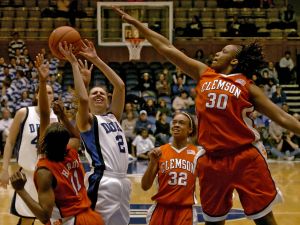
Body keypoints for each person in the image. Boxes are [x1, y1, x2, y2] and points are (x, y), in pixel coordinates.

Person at [113, 6, 300, 224]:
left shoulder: (248, 87)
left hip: (245, 156)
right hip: (212, 160)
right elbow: (167, 47)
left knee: (264, 219)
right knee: (213, 220)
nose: (217, 53)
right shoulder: (204, 74)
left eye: (223, 51)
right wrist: (138, 25)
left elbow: (283, 117)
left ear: (234, 61)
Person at [10, 53, 104, 225]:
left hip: (71, 220)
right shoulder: (72, 152)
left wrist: (43, 79)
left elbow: (45, 115)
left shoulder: (45, 169)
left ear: (42, 143)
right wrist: (83, 85)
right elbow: (77, 131)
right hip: (91, 216)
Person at [59, 40, 131, 225]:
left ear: (108, 101)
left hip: (123, 182)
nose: (98, 94)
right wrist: (74, 64)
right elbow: (82, 100)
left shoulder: (113, 117)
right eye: (94, 93)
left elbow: (120, 86)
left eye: (102, 93)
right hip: (102, 180)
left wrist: (96, 59)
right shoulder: (87, 121)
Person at [0, 57, 58, 225]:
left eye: (50, 92)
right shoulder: (24, 113)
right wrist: (4, 170)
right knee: (27, 220)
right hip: (27, 175)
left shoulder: (57, 118)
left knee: (55, 219)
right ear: (36, 94)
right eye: (43, 91)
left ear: (54, 96)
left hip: (50, 176)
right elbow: (10, 142)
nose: (46, 95)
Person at [141, 112, 201, 225]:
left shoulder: (197, 154)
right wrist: (152, 163)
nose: (176, 125)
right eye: (174, 122)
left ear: (189, 129)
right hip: (161, 209)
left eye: (181, 123)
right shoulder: (159, 152)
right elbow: (145, 186)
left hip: (185, 211)